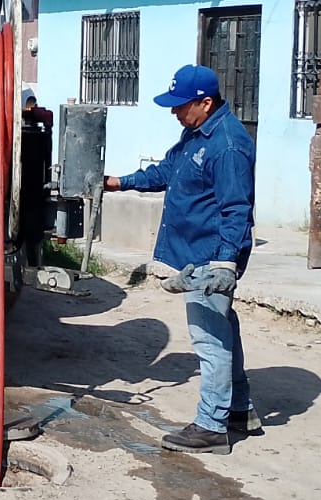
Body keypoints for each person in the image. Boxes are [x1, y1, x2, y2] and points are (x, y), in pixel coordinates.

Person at [103, 64, 257, 454]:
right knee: (223, 330)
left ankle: (211, 426)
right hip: (198, 253)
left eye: (181, 106)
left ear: (205, 102)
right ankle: (239, 410)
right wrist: (120, 182)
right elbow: (168, 171)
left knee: (210, 341)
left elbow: (236, 209)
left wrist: (225, 263)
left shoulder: (227, 145)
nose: (175, 112)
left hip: (210, 256)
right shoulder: (196, 134)